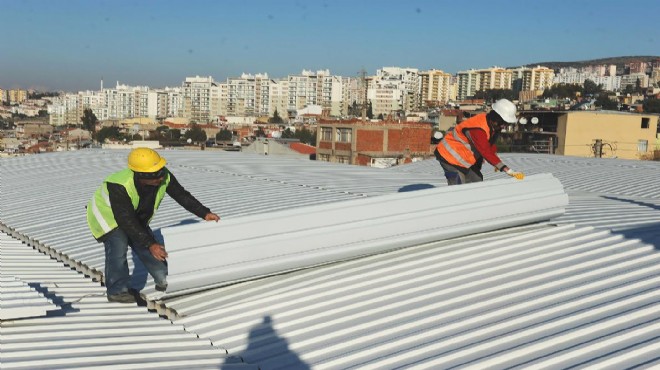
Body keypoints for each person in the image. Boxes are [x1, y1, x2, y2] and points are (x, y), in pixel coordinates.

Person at [86, 147, 220, 303]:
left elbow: (182, 195)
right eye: (155, 174)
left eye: (161, 170)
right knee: (119, 247)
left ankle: (164, 280)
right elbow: (126, 220)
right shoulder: (119, 185)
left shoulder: (163, 175)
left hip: (132, 214)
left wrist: (204, 213)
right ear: (141, 176)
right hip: (106, 216)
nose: (160, 176)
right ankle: (117, 291)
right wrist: (150, 243)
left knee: (147, 243)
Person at [434, 99, 525, 186]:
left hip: (463, 159)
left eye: (507, 123)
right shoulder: (477, 129)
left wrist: (496, 161)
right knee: (458, 186)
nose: (504, 126)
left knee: (476, 181)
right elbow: (484, 150)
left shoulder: (493, 126)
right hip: (448, 156)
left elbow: (489, 145)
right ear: (495, 117)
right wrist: (506, 169)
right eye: (503, 122)